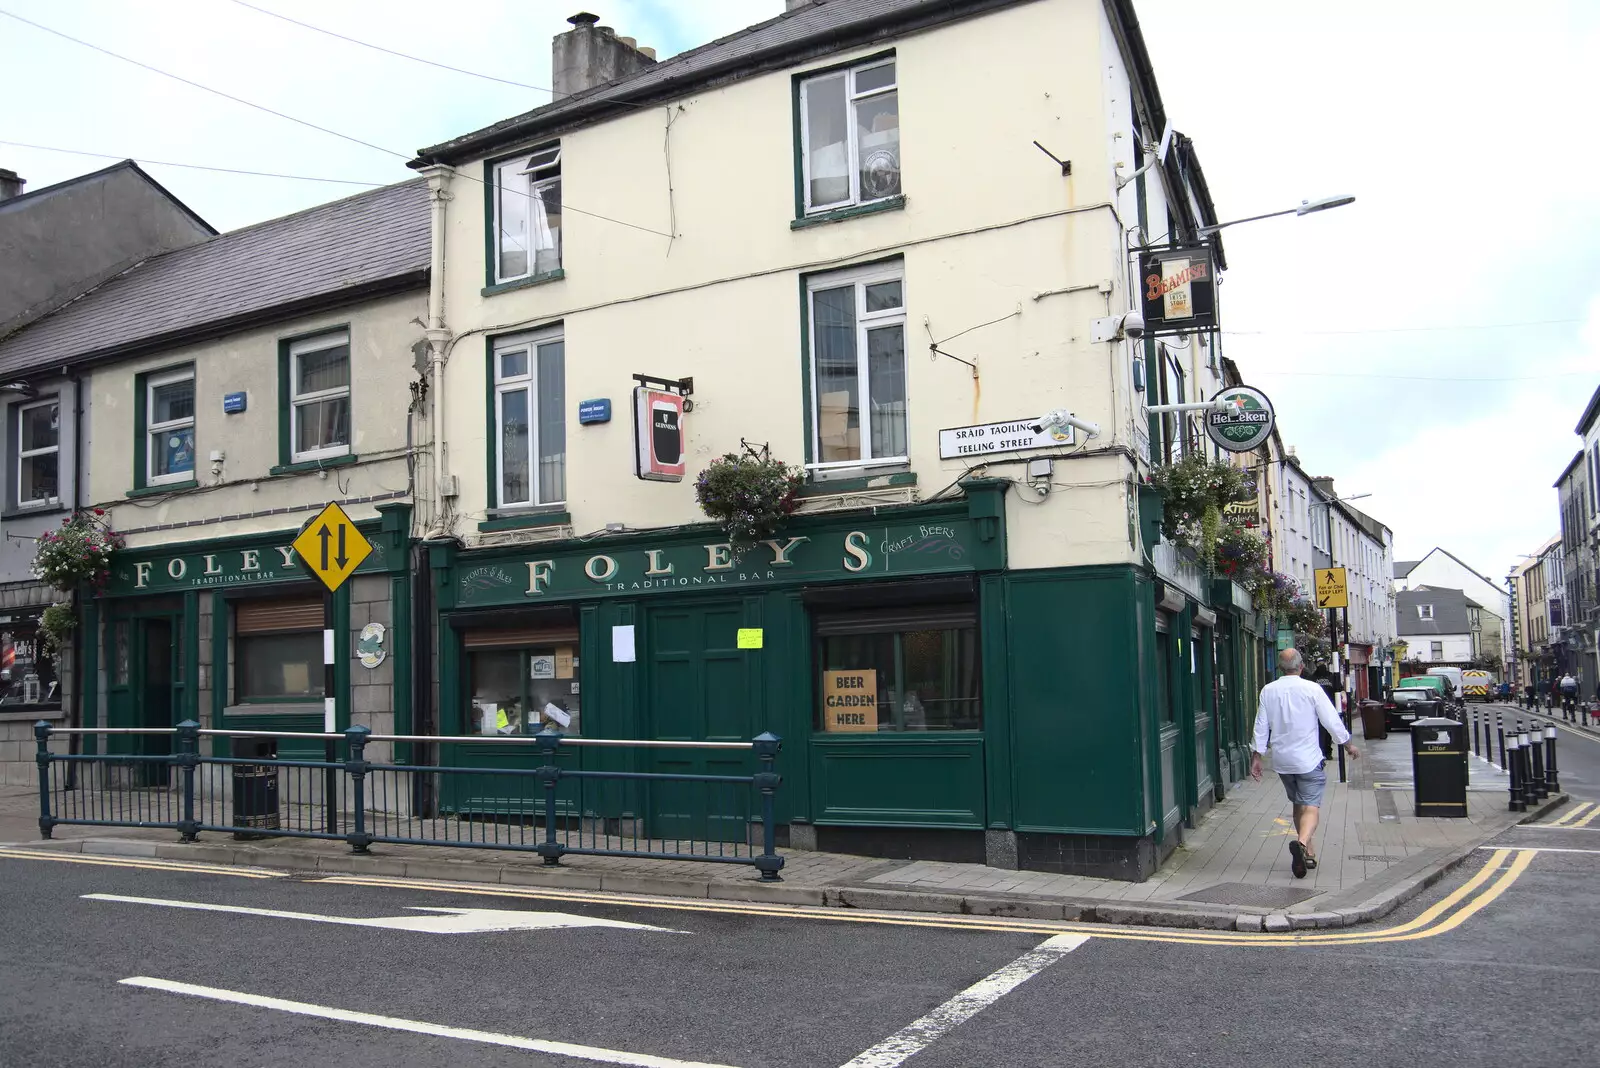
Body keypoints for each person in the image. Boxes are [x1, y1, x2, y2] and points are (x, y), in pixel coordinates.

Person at [1251, 648, 1359, 879]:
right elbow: (1331, 720)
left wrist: (1257, 756)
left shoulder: (1268, 691)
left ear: (1280, 668)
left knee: (1298, 805)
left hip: (1282, 761)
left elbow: (1261, 725)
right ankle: (1301, 843)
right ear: (1301, 667)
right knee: (1311, 806)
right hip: (1308, 759)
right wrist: (1348, 744)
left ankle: (1309, 852)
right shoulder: (1312, 689)